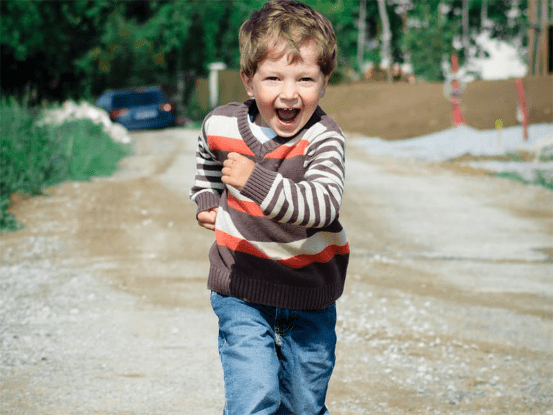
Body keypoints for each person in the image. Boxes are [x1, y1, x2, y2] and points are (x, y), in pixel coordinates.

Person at [189, 1, 349, 413]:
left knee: (303, 406)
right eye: (273, 78)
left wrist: (254, 180)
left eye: (306, 79)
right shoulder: (221, 124)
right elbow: (207, 157)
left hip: (308, 294)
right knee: (253, 399)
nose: (289, 93)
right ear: (248, 80)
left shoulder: (325, 139)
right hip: (240, 288)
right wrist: (207, 197)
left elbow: (321, 205)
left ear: (325, 81)